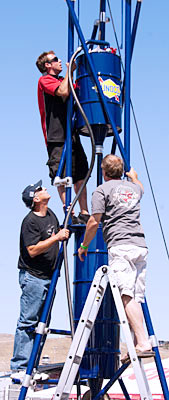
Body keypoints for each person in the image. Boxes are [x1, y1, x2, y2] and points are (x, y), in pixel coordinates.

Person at [78, 154, 155, 363]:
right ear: (122, 172)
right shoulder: (134, 188)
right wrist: (134, 177)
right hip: (140, 245)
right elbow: (141, 187)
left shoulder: (101, 190)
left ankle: (142, 342)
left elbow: (94, 221)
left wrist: (84, 245)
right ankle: (134, 346)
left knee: (125, 295)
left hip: (120, 246)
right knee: (136, 297)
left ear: (103, 173)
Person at [10, 180, 70, 379]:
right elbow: (32, 250)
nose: (44, 189)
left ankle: (32, 366)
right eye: (39, 189)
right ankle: (20, 367)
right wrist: (56, 238)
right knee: (28, 321)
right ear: (35, 199)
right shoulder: (30, 221)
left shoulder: (50, 214)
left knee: (42, 324)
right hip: (33, 277)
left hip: (49, 276)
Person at [36, 50, 90, 224]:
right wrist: (70, 71)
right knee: (60, 175)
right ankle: (70, 213)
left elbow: (76, 93)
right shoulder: (45, 80)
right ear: (47, 65)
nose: (60, 61)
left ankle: (84, 211)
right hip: (56, 135)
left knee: (81, 172)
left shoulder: (62, 79)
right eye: (56, 59)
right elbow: (63, 92)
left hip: (71, 133)